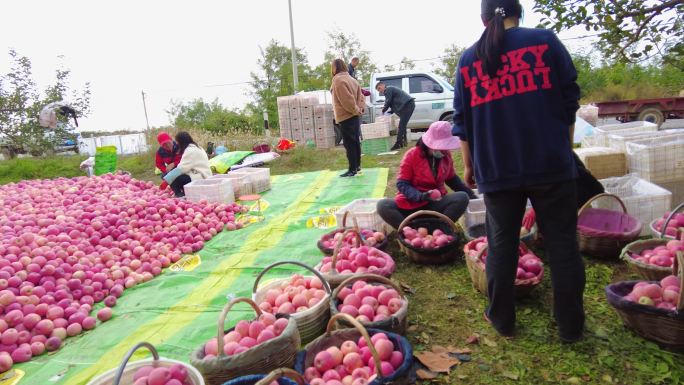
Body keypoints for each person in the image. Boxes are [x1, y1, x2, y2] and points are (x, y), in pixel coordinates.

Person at [452, 0, 585, 342]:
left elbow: (462, 124)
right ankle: (570, 327)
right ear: (518, 11)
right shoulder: (546, 42)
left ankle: (502, 320)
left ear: (483, 18)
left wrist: (469, 165)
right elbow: (570, 101)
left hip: (497, 169)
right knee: (562, 245)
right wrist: (564, 149)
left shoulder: (468, 60)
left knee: (501, 245)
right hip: (551, 164)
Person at [377, 121, 476, 230]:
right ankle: (409, 230)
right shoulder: (412, 155)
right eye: (441, 147)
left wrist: (473, 197)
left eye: (445, 147)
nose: (444, 151)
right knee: (383, 205)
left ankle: (439, 228)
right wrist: (420, 196)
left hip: (435, 204)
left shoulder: (446, 156)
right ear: (429, 144)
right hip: (410, 204)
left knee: (462, 197)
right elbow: (402, 184)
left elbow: (453, 180)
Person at [331, 58, 365, 177]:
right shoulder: (352, 79)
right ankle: (357, 166)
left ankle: (352, 169)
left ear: (335, 67)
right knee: (355, 141)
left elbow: (347, 100)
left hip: (346, 116)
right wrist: (360, 109)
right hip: (354, 115)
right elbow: (361, 97)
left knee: (349, 143)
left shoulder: (338, 80)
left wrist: (355, 110)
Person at [169, 131, 212, 197]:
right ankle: (184, 191)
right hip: (204, 174)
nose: (177, 144)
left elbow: (181, 168)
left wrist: (168, 178)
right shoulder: (197, 147)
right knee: (173, 174)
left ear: (181, 142)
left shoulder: (190, 150)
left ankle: (179, 194)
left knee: (173, 176)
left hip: (201, 176)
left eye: (177, 142)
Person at [375, 82, 415, 150]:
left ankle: (398, 144)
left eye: (379, 88)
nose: (380, 91)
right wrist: (390, 111)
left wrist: (384, 110)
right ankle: (403, 143)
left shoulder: (388, 89)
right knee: (403, 125)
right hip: (408, 105)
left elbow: (388, 101)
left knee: (401, 125)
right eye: (378, 90)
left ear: (383, 85)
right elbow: (394, 102)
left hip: (408, 105)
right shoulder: (390, 90)